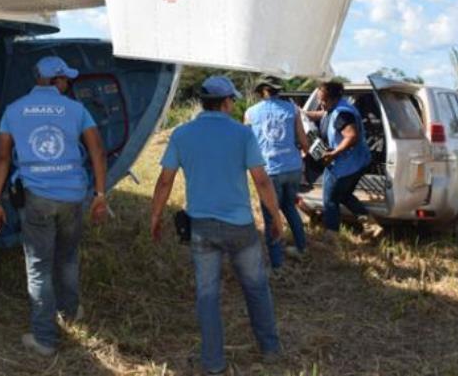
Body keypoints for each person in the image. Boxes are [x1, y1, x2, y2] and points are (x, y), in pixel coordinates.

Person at [150, 76, 283, 376]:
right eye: (232, 100)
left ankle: (213, 363)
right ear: (225, 102)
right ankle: (271, 348)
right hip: (241, 228)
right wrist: (276, 217)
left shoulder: (182, 134)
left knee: (207, 296)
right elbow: (261, 180)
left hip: (203, 229)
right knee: (256, 287)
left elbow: (165, 181)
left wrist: (156, 217)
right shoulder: (242, 134)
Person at [0, 56, 108, 357]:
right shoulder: (77, 109)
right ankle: (69, 312)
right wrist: (100, 194)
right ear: (57, 80)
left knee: (39, 266)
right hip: (72, 195)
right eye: (66, 79)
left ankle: (44, 338)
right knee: (67, 256)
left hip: (36, 197)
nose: (68, 84)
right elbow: (97, 150)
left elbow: (2, 157)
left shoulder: (14, 111)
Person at [244, 75, 310, 266]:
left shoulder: (250, 113)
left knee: (270, 215)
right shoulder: (293, 109)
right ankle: (301, 247)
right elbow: (304, 141)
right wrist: (306, 156)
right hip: (293, 168)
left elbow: (246, 143)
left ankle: (277, 263)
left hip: (269, 171)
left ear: (264, 90)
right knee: (289, 207)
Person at [305, 81, 372, 239]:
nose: (321, 104)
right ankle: (371, 224)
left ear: (334, 98)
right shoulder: (339, 106)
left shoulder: (341, 113)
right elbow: (323, 114)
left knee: (330, 200)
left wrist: (334, 153)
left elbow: (351, 136)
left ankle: (331, 235)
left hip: (343, 164)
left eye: (323, 100)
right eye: (320, 99)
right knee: (344, 195)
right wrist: (304, 114)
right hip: (359, 161)